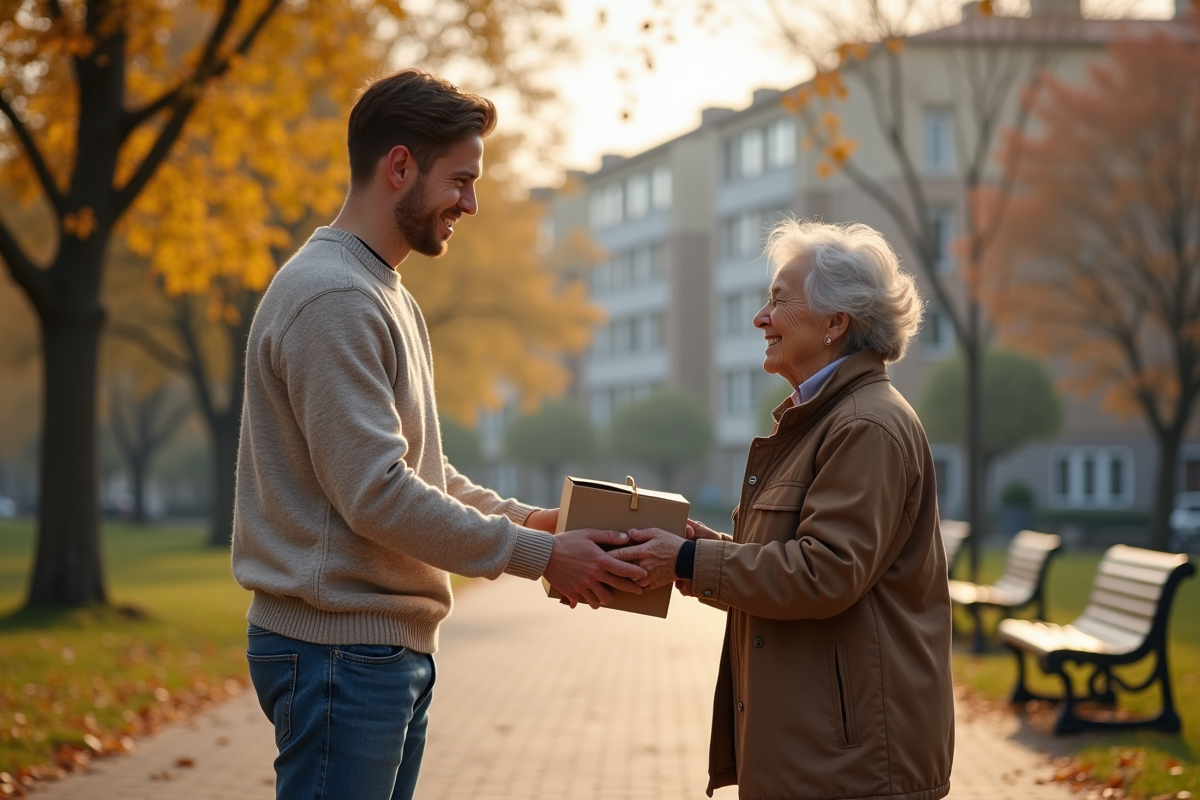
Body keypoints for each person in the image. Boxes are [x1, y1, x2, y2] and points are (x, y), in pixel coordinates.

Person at [231, 68, 646, 800]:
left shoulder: (380, 290)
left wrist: (533, 522)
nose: (471, 204)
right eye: (460, 181)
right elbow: (378, 495)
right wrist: (543, 557)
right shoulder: (334, 296)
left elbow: (423, 472)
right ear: (400, 167)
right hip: (338, 652)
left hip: (376, 649)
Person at [614, 219, 954, 800]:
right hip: (822, 752)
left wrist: (690, 561)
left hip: (854, 766)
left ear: (835, 323)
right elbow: (799, 558)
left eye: (778, 300)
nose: (760, 318)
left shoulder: (864, 425)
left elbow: (825, 572)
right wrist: (702, 553)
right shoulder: (826, 419)